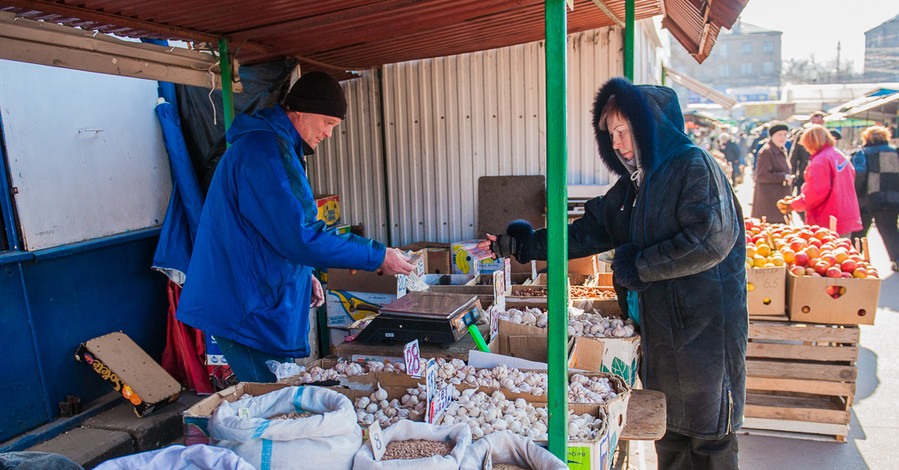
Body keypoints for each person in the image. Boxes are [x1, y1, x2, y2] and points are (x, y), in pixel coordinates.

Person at [483, 77, 747, 469]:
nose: (618, 143)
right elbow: (587, 232)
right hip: (662, 332)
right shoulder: (634, 185)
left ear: (651, 127)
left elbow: (711, 237)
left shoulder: (694, 166)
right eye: (611, 134)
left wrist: (638, 266)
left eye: (624, 131)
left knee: (707, 440)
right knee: (670, 431)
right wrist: (522, 245)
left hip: (703, 334)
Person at [176, 72, 414, 382]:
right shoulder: (266, 152)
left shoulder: (272, 145)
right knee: (270, 402)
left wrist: (304, 275)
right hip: (243, 308)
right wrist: (379, 256)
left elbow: (273, 231)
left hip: (248, 299)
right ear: (299, 110)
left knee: (275, 398)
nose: (328, 134)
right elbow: (302, 236)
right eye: (327, 122)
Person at [778, 125, 862, 237]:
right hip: (846, 215)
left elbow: (816, 192)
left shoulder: (821, 161)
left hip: (828, 217)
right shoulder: (839, 155)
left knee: (830, 251)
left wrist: (794, 204)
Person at [851, 126, 899, 271]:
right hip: (893, 199)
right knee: (890, 229)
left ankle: (853, 261)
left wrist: (856, 195)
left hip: (868, 198)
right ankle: (897, 259)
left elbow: (858, 176)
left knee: (859, 231)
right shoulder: (895, 152)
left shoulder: (862, 153)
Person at [751, 121, 793, 222]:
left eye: (785, 135)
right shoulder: (767, 151)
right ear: (772, 136)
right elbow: (762, 176)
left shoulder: (782, 149)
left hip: (779, 200)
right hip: (770, 202)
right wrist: (784, 177)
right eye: (779, 135)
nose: (782, 138)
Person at [789, 111, 825, 193]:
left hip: (821, 176)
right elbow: (794, 156)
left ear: (823, 122)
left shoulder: (826, 136)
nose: (816, 125)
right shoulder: (802, 135)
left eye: (818, 122)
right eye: (814, 122)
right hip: (804, 176)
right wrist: (792, 174)